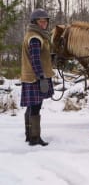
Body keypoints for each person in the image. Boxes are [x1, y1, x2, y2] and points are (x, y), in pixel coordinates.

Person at [20, 8, 55, 146]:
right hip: (36, 77)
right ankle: (35, 138)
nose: (44, 23)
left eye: (46, 21)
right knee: (35, 107)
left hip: (30, 76)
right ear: (35, 22)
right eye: (41, 21)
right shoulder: (35, 37)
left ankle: (29, 135)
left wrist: (50, 57)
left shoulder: (33, 34)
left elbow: (38, 55)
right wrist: (41, 77)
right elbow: (35, 60)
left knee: (31, 106)